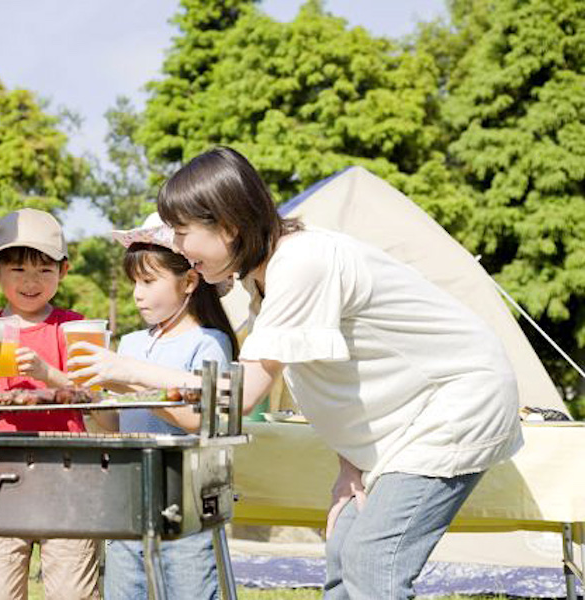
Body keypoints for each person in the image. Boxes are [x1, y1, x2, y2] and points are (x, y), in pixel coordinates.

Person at [71, 147, 524, 600]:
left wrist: (128, 370)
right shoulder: (263, 280)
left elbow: (241, 394)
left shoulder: (301, 263)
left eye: (184, 233)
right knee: (344, 547)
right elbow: (339, 374)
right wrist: (352, 463)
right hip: (400, 426)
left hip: (457, 405)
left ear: (227, 226)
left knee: (372, 562)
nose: (182, 250)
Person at [72, 212, 236, 599]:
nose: (137, 293)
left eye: (148, 281)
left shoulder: (208, 343)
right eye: (134, 282)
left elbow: (203, 421)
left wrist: (132, 381)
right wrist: (89, 395)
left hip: (187, 503)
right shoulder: (129, 343)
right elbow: (116, 424)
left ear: (190, 281)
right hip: (128, 497)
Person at [0, 208, 100, 600]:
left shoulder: (73, 327)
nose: (31, 282)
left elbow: (93, 393)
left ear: (64, 271)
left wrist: (48, 373)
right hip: (0, 476)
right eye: (18, 270)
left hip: (67, 474)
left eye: (44, 270)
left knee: (73, 588)